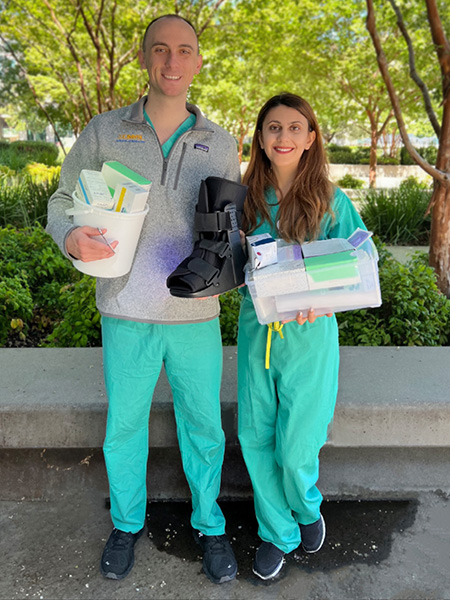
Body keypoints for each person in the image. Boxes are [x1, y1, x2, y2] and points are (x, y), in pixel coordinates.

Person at [47, 14, 239, 585]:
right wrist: (70, 234)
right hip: (125, 309)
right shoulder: (105, 131)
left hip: (195, 315)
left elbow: (231, 225)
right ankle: (127, 522)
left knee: (203, 425)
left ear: (198, 62)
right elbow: (61, 199)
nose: (172, 62)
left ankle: (209, 524)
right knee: (124, 426)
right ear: (143, 57)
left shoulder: (219, 142)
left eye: (184, 50)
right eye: (160, 49)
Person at [237, 93, 367, 580]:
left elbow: (361, 264)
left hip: (311, 337)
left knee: (296, 446)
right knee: (255, 436)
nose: (284, 136)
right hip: (257, 335)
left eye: (295, 128)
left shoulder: (332, 201)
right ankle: (277, 532)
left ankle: (306, 507)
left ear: (311, 139)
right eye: (274, 127)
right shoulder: (245, 197)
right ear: (261, 138)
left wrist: (326, 297)